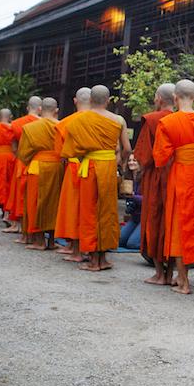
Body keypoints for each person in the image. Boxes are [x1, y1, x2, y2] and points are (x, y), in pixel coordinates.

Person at [60, 85, 131, 271]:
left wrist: (86, 158)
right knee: (107, 211)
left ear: (90, 100)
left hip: (89, 167)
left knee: (89, 210)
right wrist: (120, 165)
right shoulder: (119, 119)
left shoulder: (80, 119)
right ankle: (103, 259)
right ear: (108, 100)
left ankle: (93, 260)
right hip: (108, 166)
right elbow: (127, 149)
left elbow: (70, 150)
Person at [153, 79, 194, 294]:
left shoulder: (168, 123)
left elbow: (160, 157)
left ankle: (184, 282)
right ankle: (181, 275)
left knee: (179, 223)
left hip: (181, 173)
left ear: (175, 98)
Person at [132, 83, 175, 284]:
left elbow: (144, 157)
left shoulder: (151, 120)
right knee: (172, 221)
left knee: (154, 219)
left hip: (156, 175)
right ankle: (173, 273)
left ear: (158, 98)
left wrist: (138, 169)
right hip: (179, 175)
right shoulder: (186, 119)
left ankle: (160, 274)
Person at [18, 97, 62, 251]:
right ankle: (51, 242)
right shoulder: (62, 126)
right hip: (57, 167)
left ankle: (39, 241)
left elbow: (23, 154)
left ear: (40, 110)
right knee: (53, 204)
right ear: (56, 111)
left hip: (37, 167)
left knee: (35, 202)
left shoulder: (31, 128)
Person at [54, 87, 91, 262]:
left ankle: (76, 249)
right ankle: (84, 247)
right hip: (94, 166)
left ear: (75, 101)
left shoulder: (65, 123)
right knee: (88, 207)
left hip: (74, 166)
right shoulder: (102, 120)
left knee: (73, 207)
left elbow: (61, 153)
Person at [3, 96, 42, 236]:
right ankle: (31, 225)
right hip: (38, 161)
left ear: (27, 108)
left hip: (22, 160)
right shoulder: (44, 123)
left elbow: (13, 147)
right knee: (33, 194)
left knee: (18, 191)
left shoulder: (17, 123)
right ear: (40, 109)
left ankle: (16, 224)